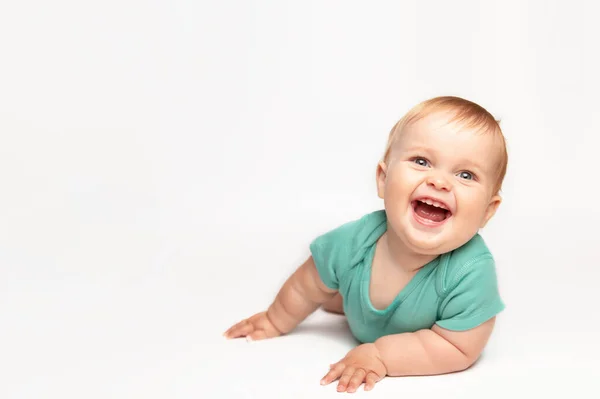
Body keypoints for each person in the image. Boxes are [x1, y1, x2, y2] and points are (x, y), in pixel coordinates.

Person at [223, 96, 508, 393]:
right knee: (325, 286)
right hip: (356, 300)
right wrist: (274, 319)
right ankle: (344, 298)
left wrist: (381, 355)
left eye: (465, 175)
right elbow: (305, 285)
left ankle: (346, 302)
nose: (439, 182)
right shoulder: (355, 241)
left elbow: (459, 347)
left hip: (416, 332)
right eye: (421, 161)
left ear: (488, 210)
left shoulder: (470, 273)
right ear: (383, 179)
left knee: (339, 293)